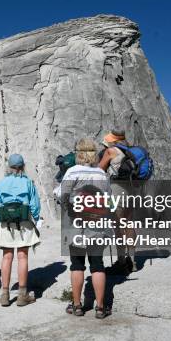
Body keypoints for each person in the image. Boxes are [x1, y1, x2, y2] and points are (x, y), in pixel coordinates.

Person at [55, 138, 111, 319]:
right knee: (97, 265)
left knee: (77, 264)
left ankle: (77, 305)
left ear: (78, 154)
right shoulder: (101, 174)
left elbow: (62, 195)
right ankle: (101, 308)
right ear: (94, 154)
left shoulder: (72, 171)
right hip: (97, 224)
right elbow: (108, 199)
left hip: (76, 225)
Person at [0, 154, 41, 307]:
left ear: (9, 167)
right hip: (23, 222)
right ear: (22, 166)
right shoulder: (28, 183)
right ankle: (22, 294)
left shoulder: (2, 183)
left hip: (6, 222)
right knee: (22, 256)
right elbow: (35, 205)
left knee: (7, 257)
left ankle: (5, 294)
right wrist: (36, 219)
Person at [99, 129, 137, 272]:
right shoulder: (129, 151)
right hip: (130, 190)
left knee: (117, 225)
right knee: (129, 223)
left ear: (112, 140)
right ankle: (132, 261)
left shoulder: (111, 151)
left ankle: (121, 261)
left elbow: (99, 169)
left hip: (115, 191)